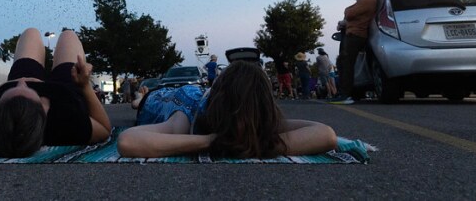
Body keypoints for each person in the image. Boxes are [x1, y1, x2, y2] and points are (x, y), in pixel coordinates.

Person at [118, 61, 337, 159]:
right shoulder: (186, 117)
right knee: (141, 100)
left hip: (197, 92)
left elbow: (326, 134)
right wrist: (212, 141)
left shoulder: (256, 117)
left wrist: (255, 142)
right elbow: (127, 141)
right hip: (163, 99)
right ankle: (140, 96)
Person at [0, 27, 112, 157]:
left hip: (14, 94)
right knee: (68, 35)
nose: (22, 83)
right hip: (66, 89)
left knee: (31, 33)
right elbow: (105, 129)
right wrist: (84, 86)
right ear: (45, 109)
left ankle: (12, 92)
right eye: (27, 88)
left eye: (14, 89)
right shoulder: (66, 124)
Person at [330, 0, 378, 105]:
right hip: (352, 33)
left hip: (356, 35)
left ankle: (346, 95)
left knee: (346, 64)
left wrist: (357, 2)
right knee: (343, 62)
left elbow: (349, 12)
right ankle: (343, 93)